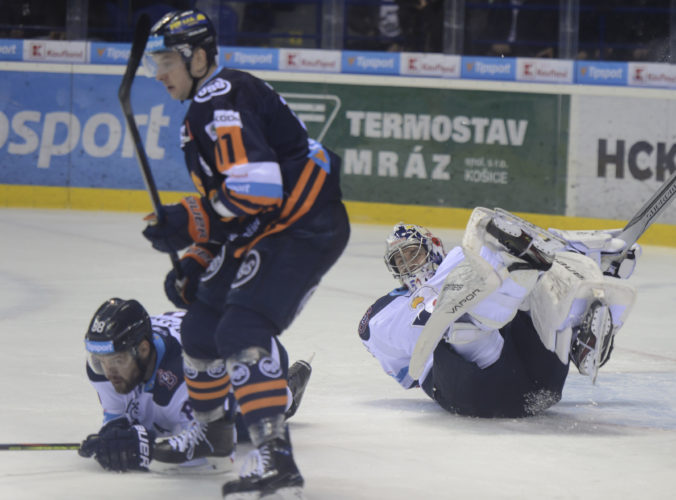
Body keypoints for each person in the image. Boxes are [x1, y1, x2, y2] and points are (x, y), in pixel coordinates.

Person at [140, 9, 349, 497]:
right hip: (268, 226)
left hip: (302, 226)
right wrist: (198, 252)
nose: (160, 74)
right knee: (200, 329)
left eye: (168, 60)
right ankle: (214, 435)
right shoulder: (207, 106)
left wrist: (187, 220)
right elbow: (239, 206)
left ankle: (277, 464)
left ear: (198, 57)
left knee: (241, 329)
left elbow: (258, 190)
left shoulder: (219, 99)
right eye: (156, 62)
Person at [359, 208, 640, 418]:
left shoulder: (462, 258)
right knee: (462, 323)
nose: (408, 264)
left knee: (535, 280)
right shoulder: (382, 314)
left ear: (432, 248)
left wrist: (591, 253)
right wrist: (441, 305)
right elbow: (406, 358)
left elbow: (539, 247)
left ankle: (579, 340)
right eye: (400, 261)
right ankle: (521, 286)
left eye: (412, 254)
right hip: (471, 388)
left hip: (540, 385)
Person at [78, 298, 313, 473]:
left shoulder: (188, 375)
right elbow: (117, 416)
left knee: (243, 425)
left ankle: (285, 395)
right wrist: (112, 433)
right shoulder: (104, 365)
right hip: (206, 342)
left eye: (117, 361)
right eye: (101, 363)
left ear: (143, 349)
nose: (109, 373)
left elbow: (217, 450)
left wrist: (145, 449)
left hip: (257, 353)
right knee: (152, 417)